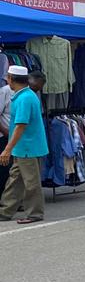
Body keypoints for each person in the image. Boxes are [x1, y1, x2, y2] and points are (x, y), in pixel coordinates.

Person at [0, 66, 49, 222]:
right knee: (15, 180)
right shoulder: (24, 95)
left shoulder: (24, 98)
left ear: (11, 79)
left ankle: (35, 213)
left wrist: (7, 149)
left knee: (30, 182)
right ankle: (5, 211)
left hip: (28, 147)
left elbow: (21, 125)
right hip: (23, 147)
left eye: (8, 77)